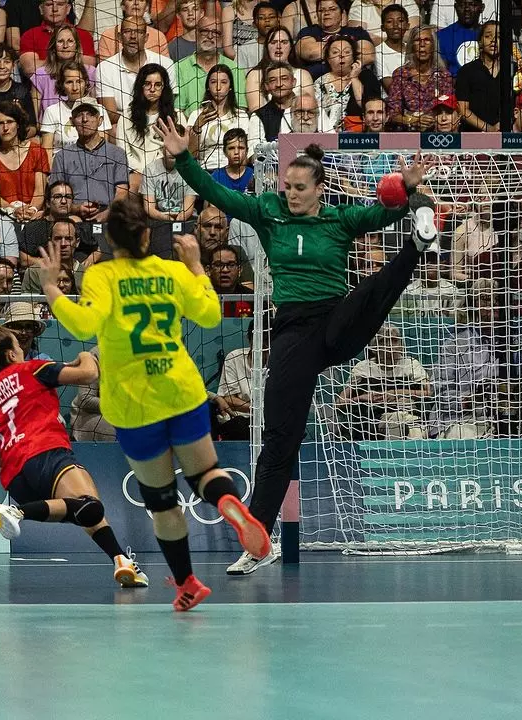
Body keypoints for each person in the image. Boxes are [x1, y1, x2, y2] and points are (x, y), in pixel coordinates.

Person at [157, 117, 436, 574]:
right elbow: (219, 193)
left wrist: (407, 191)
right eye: (287, 185)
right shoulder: (269, 212)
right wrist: (184, 158)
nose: (291, 192)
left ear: (320, 188)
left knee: (368, 291)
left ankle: (416, 248)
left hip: (336, 321)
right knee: (280, 439)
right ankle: (259, 541)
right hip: (293, 335)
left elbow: (383, 211)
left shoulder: (341, 219)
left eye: (300, 187)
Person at [39, 194, 271, 611]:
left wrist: (52, 286)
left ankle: (187, 584)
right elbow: (209, 316)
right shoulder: (172, 271)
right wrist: (198, 265)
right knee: (205, 473)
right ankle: (227, 501)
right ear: (148, 234)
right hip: (181, 389)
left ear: (109, 240)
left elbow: (81, 325)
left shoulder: (101, 277)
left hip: (133, 404)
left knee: (162, 500)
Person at [0, 300, 150, 589]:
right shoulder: (33, 369)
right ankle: (16, 513)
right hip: (45, 451)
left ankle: (121, 561)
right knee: (91, 506)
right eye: (18, 346)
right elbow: (89, 375)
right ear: (11, 354)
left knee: (84, 509)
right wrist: (86, 355)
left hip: (16, 478)